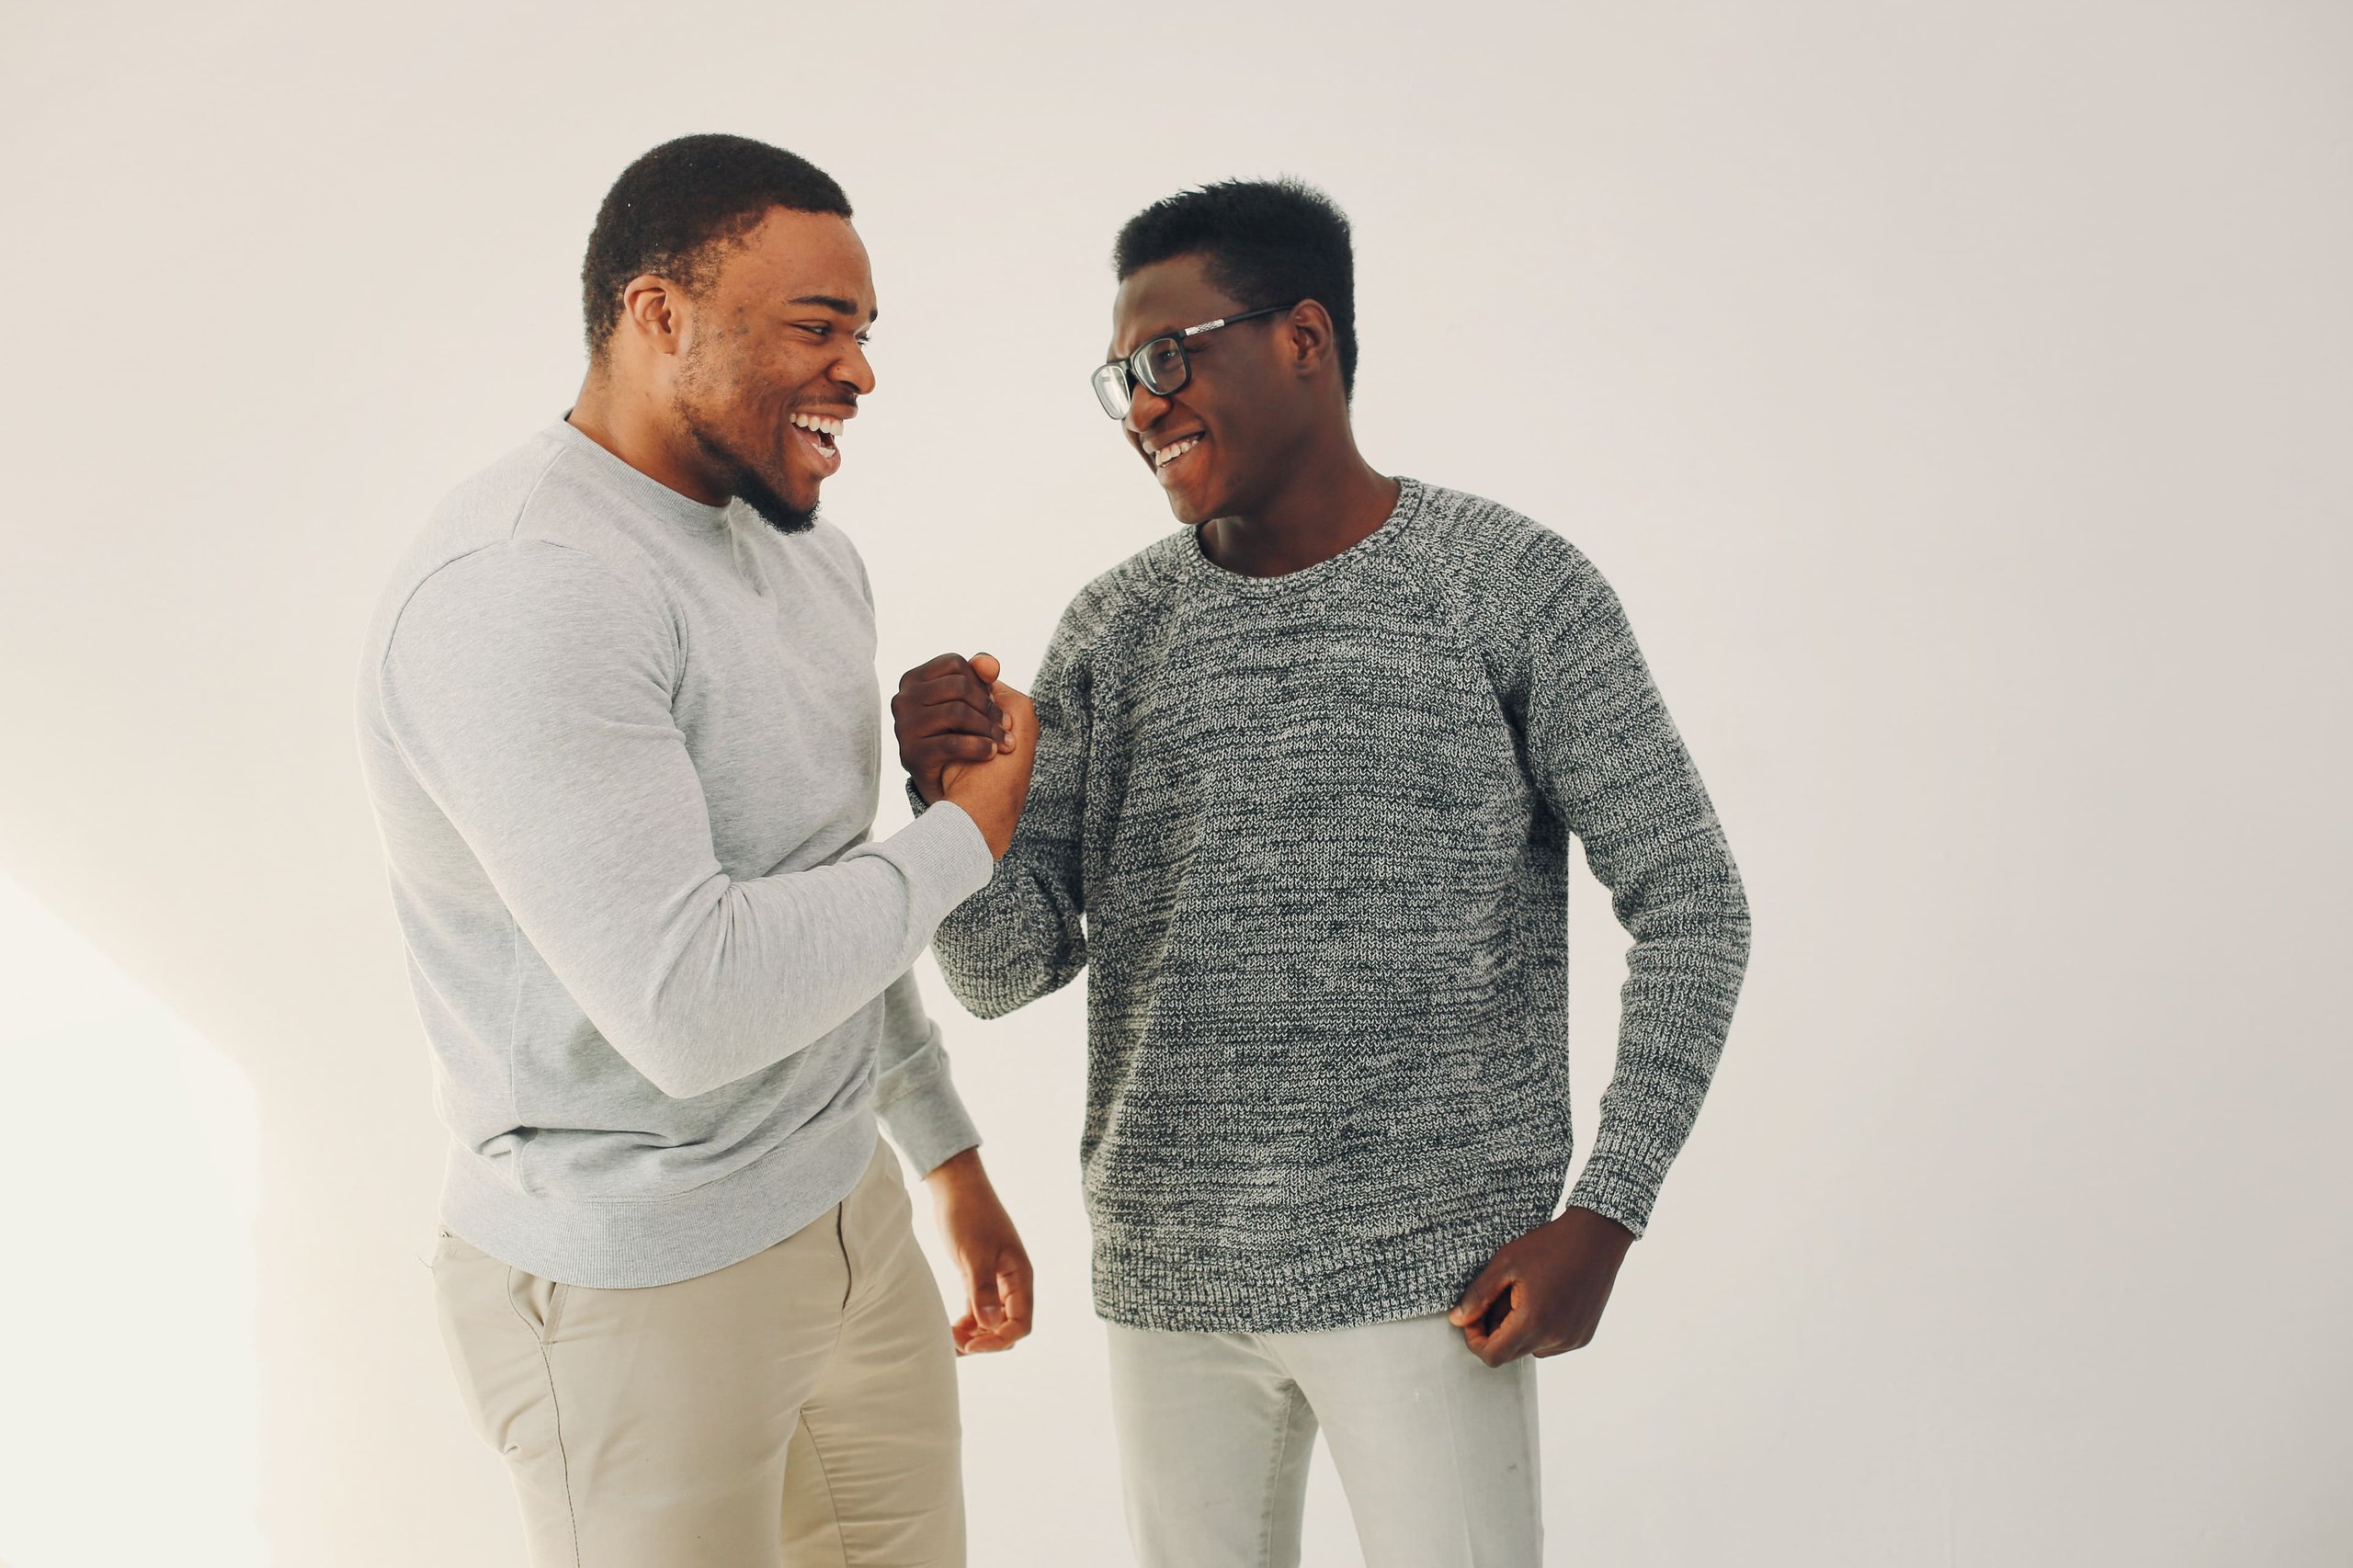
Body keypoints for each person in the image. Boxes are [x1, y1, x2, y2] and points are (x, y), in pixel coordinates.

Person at [891, 178, 1752, 1567]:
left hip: (1436, 1279)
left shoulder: (1511, 587)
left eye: (1170, 357)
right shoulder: (1112, 630)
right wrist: (949, 804)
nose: (1143, 405)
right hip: (1174, 1285)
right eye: (1120, 374)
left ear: (1304, 339)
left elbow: (1695, 908)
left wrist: (1610, 1209)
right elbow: (1000, 971)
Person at [356, 133, 1038, 1567]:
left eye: (863, 331)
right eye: (817, 325)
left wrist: (945, 1156)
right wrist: (967, 839)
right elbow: (695, 1003)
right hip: (635, 1291)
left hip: (844, 1214)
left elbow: (815, 886)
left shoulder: (807, 555)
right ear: (657, 314)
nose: (858, 370)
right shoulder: (530, 589)